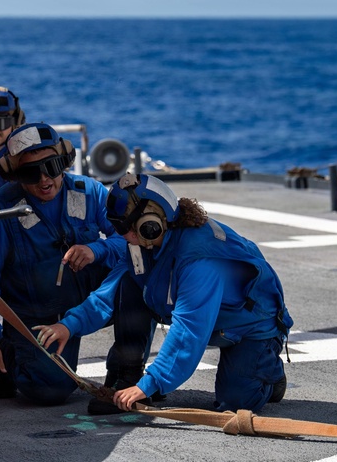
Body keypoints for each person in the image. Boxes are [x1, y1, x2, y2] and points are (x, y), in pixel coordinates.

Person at [34, 173, 292, 413]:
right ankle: (127, 375)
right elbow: (109, 292)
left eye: (122, 227)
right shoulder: (142, 245)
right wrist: (69, 325)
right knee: (128, 284)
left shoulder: (199, 261)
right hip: (213, 321)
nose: (120, 234)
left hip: (249, 327)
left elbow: (187, 331)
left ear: (149, 225)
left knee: (236, 403)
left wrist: (150, 384)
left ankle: (269, 370)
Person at [0, 123, 153, 411]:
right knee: (49, 391)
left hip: (85, 303)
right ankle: (10, 350)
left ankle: (125, 375)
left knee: (142, 272)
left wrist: (97, 250)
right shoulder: (3, 210)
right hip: (37, 318)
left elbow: (131, 241)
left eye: (52, 166)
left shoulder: (89, 192)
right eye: (31, 172)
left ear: (64, 162)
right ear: (15, 174)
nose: (44, 179)